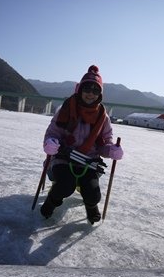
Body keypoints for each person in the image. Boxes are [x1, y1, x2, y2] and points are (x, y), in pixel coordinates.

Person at [40, 65, 124, 224]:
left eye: (95, 90)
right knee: (65, 185)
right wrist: (50, 142)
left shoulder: (103, 117)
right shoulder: (66, 109)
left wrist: (111, 150)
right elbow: (53, 132)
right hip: (63, 158)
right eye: (87, 88)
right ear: (79, 89)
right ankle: (51, 201)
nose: (90, 93)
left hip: (88, 161)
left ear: (100, 94)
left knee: (93, 193)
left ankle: (91, 207)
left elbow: (105, 143)